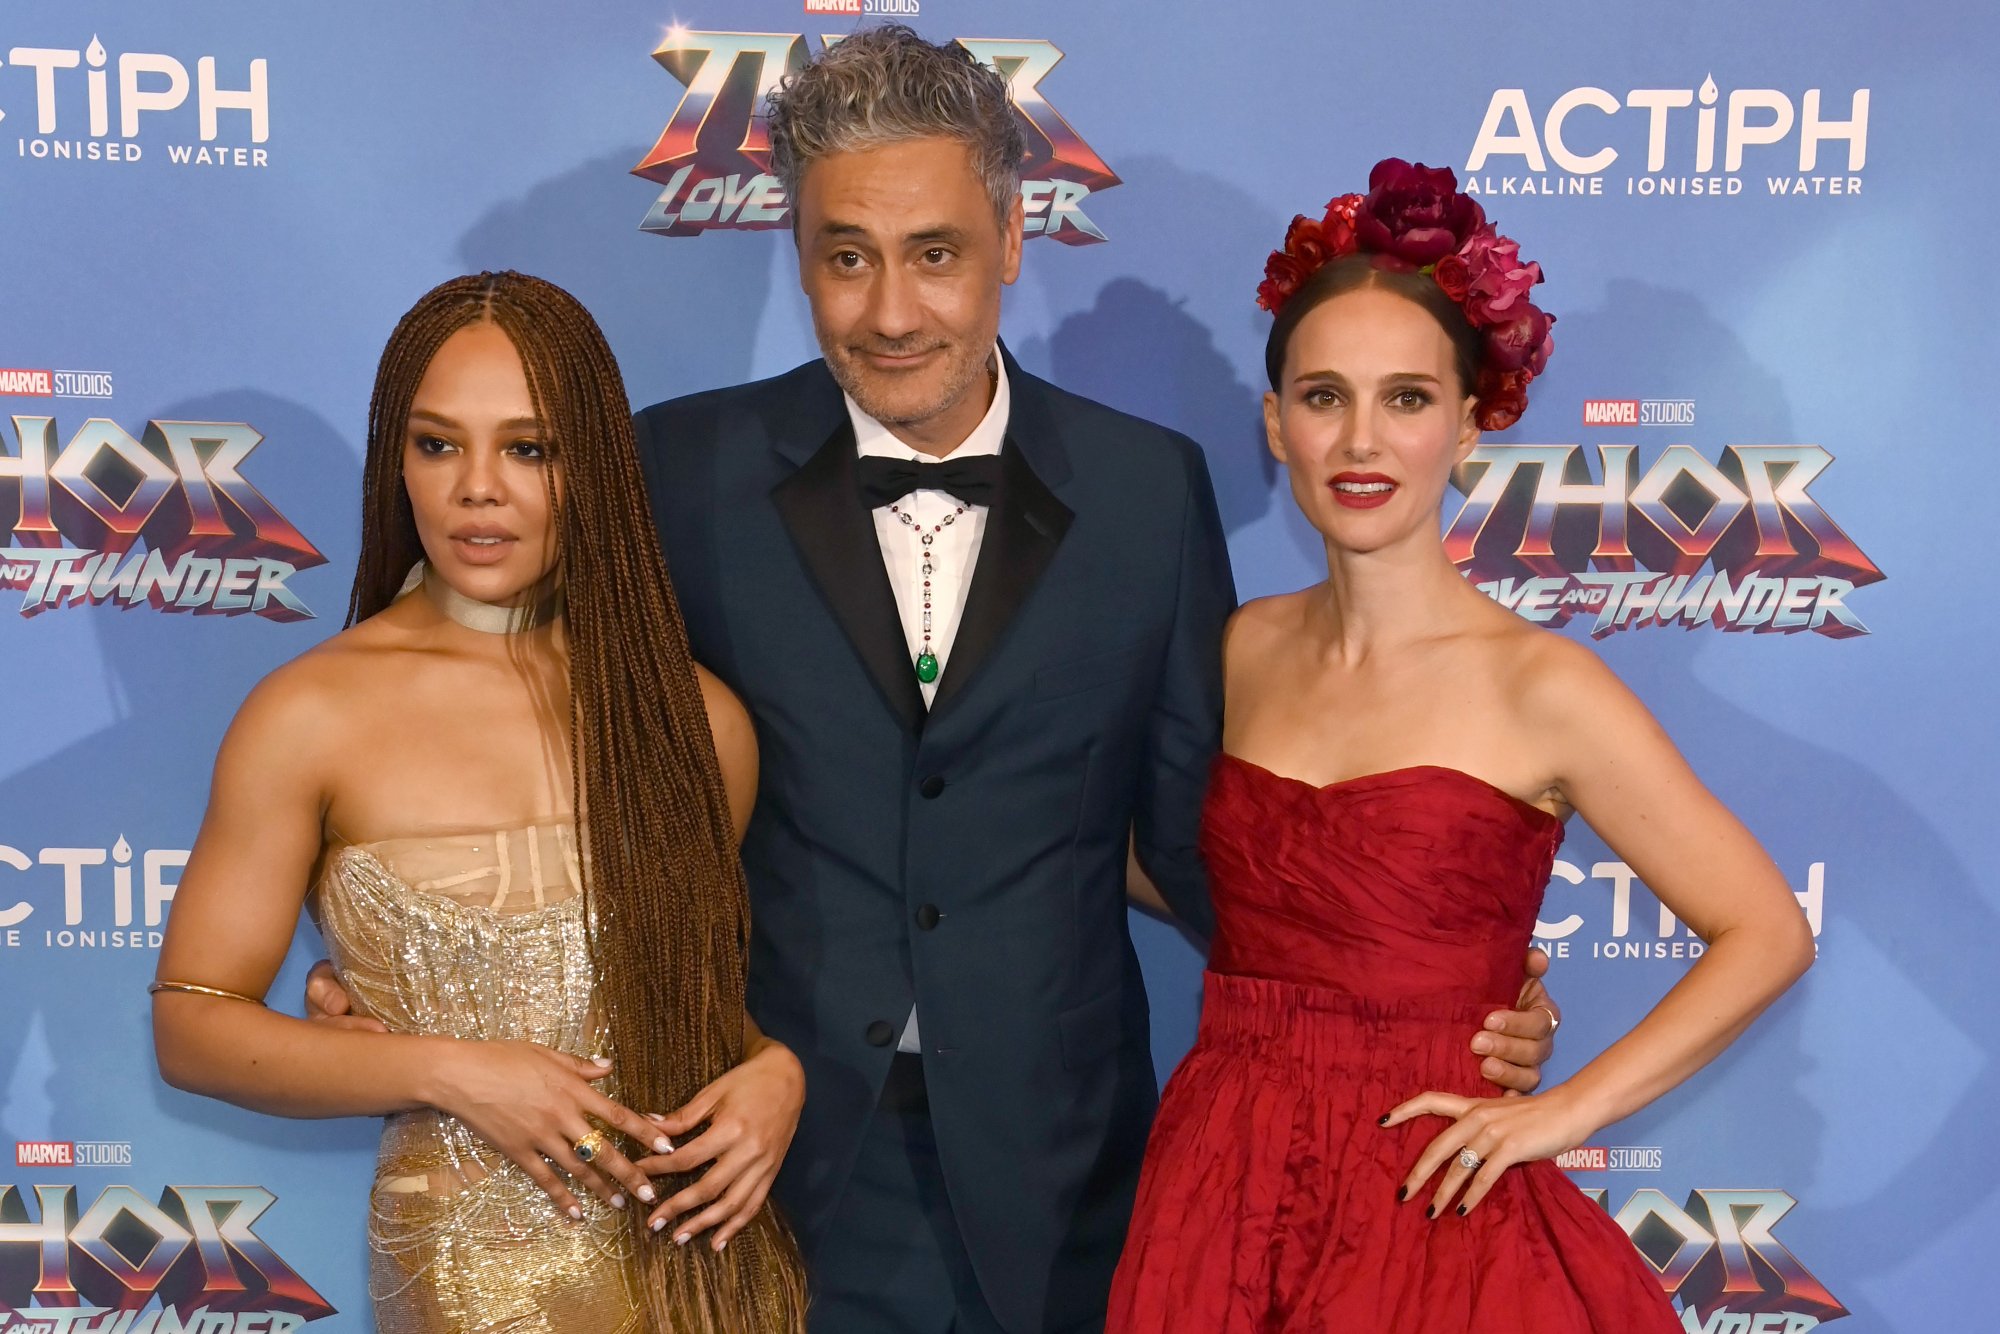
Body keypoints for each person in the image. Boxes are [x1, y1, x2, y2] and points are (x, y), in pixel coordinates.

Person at [311, 30, 1562, 1333]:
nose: (892, 310)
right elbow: (495, 694)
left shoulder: (1147, 491)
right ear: (795, 250)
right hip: (750, 1162)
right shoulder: (679, 471)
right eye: (846, 256)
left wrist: (1430, 993)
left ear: (1013, 237)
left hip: (1067, 1174)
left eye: (935, 254)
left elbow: (1201, 835)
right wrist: (399, 950)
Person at [1105, 161, 1818, 1331]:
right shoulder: (1234, 647)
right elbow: (1183, 868)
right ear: (1274, 423)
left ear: (1470, 421)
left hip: (1431, 1186)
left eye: (1406, 397)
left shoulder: (1544, 685)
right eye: (1323, 395)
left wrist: (1562, 1108)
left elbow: (1765, 929)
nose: (1361, 437)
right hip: (1218, 1177)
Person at [151, 272, 810, 1333]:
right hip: (470, 1283)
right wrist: (448, 1068)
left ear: (589, 465)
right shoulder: (309, 712)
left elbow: (676, 998)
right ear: (396, 462)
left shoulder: (695, 720)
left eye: (529, 447)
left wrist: (772, 1070)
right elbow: (191, 1025)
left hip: (705, 1272)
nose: (478, 489)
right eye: (438, 444)